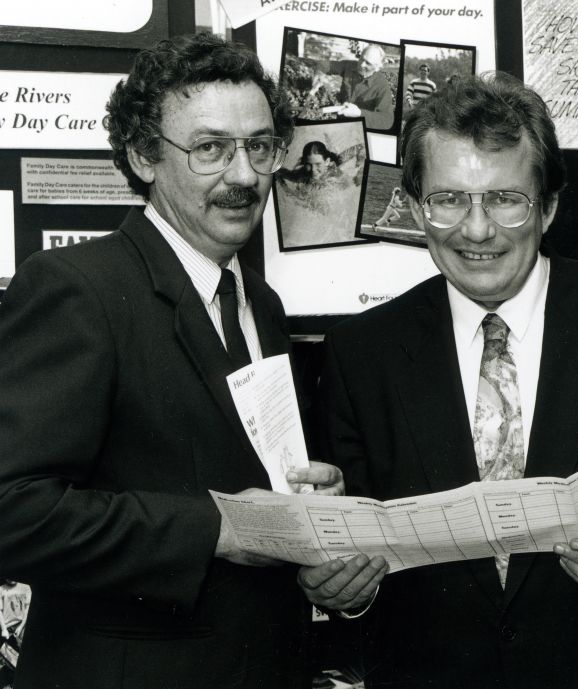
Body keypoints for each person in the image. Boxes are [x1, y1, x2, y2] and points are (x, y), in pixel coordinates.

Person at [297, 72, 578, 689]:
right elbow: (349, 543)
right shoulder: (362, 352)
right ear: (416, 208)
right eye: (448, 200)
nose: (475, 230)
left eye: (504, 199)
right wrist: (341, 587)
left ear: (546, 206)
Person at [0, 33, 347, 689]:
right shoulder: (79, 288)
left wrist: (303, 508)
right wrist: (217, 527)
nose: (244, 175)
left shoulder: (261, 304)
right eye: (211, 148)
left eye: (261, 146)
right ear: (143, 155)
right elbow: (12, 510)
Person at [325, 44, 394, 130]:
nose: (362, 65)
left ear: (377, 68)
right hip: (340, 121)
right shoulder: (350, 66)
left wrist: (360, 113)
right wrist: (320, 70)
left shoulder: (382, 86)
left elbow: (387, 120)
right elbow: (330, 65)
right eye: (362, 59)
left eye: (368, 63)